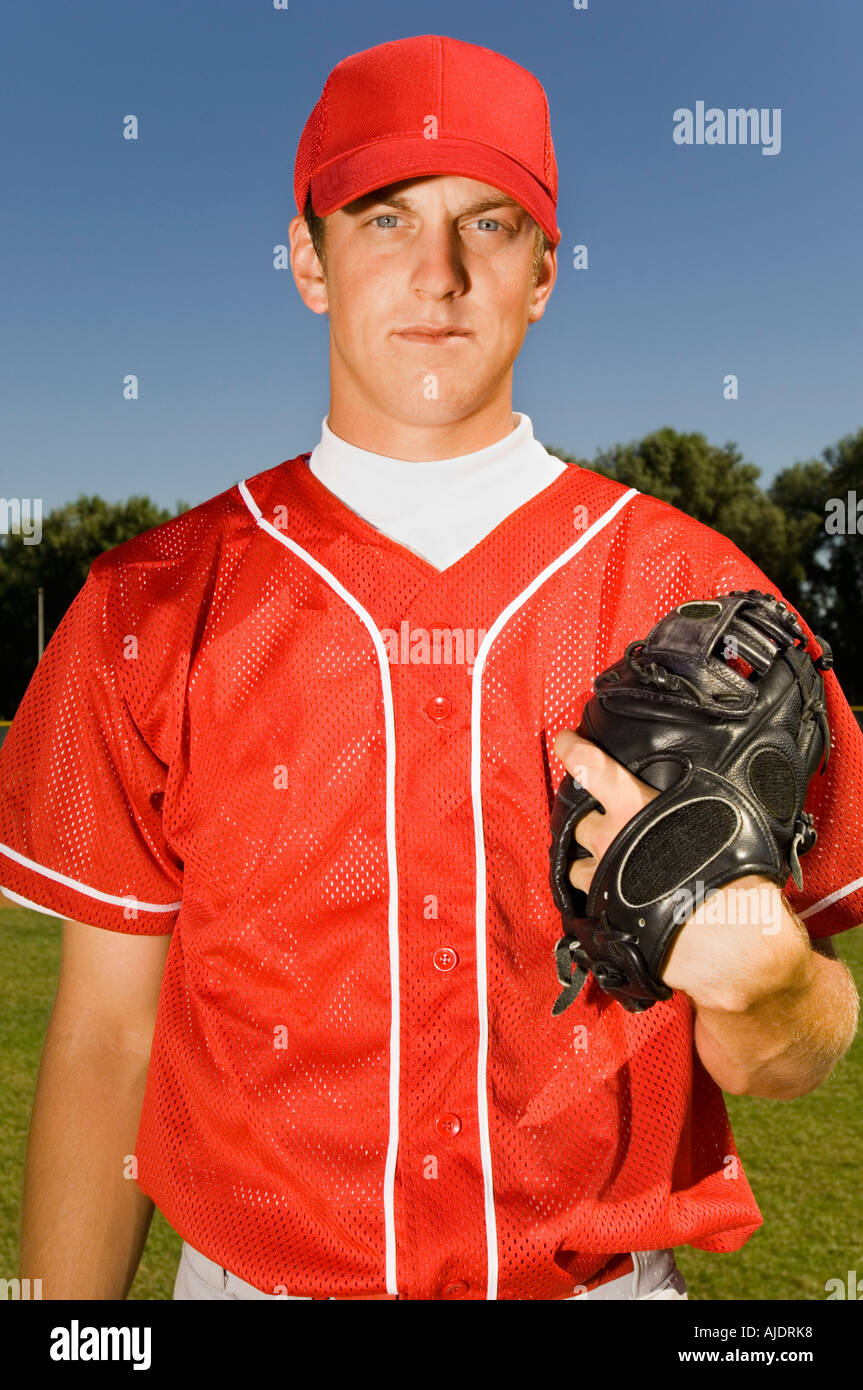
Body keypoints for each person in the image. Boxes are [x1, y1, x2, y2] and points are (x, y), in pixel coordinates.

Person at [2, 34, 860, 1304]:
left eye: (491, 224)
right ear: (306, 259)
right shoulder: (151, 605)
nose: (439, 272)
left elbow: (801, 1047)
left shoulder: (699, 594)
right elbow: (109, 1035)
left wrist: (778, 984)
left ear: (543, 276)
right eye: (383, 215)